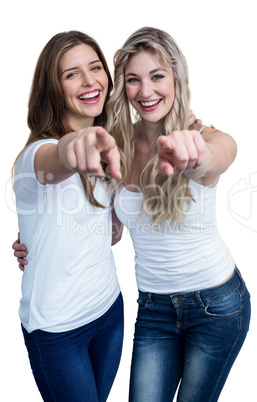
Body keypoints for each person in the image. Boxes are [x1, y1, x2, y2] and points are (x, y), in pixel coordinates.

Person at [105, 27, 251, 401]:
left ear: (176, 77)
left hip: (216, 306)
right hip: (154, 309)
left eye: (157, 76)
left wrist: (197, 156)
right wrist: (41, 241)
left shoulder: (201, 136)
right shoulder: (117, 143)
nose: (146, 91)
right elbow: (114, 229)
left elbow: (220, 153)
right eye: (133, 80)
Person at [12, 30, 124, 402]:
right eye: (71, 73)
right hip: (57, 331)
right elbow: (59, 157)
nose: (90, 80)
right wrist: (80, 143)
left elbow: (106, 233)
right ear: (53, 88)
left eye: (95, 67)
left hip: (108, 311)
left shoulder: (108, 145)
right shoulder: (37, 157)